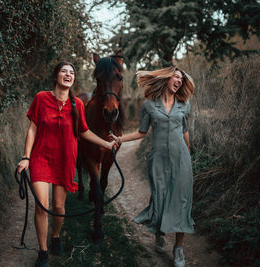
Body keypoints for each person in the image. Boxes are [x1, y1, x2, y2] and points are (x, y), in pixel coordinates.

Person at [17, 62, 117, 267]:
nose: (68, 74)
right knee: (42, 207)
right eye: (64, 71)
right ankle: (43, 251)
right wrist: (26, 156)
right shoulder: (41, 98)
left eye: (72, 72)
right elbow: (32, 129)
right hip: (41, 158)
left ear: (73, 80)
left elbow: (84, 132)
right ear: (56, 76)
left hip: (65, 159)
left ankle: (55, 236)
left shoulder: (77, 105)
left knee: (59, 207)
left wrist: (106, 143)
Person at [110, 66, 195, 267]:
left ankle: (179, 248)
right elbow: (141, 132)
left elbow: (185, 132)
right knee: (160, 198)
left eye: (181, 78)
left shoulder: (184, 105)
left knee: (182, 201)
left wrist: (188, 156)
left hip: (181, 159)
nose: (179, 81)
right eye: (176, 76)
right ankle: (160, 232)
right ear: (166, 78)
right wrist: (120, 138)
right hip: (158, 160)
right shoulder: (149, 106)